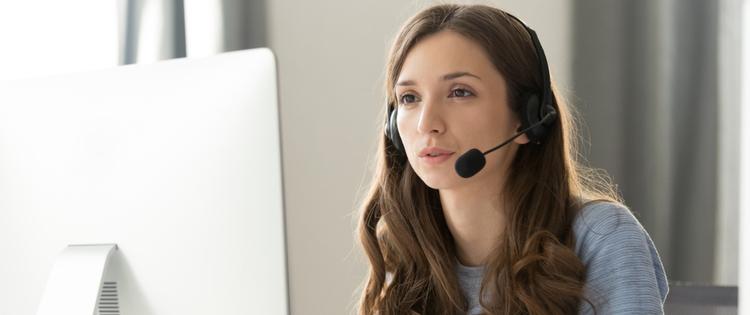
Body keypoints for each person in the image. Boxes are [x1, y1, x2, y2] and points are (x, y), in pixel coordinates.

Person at [356, 4, 669, 315]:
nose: (426, 123)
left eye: (460, 92)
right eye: (409, 98)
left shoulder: (601, 237)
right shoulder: (406, 260)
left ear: (528, 118)